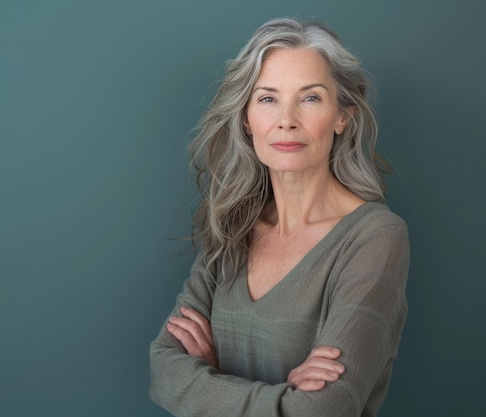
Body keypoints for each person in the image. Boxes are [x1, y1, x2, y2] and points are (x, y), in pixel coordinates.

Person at [149, 17, 409, 417]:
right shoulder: (234, 223)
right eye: (268, 98)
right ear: (247, 120)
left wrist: (210, 375)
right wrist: (285, 396)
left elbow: (324, 409)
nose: (287, 120)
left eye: (310, 98)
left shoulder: (376, 237)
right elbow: (164, 371)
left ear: (343, 116)